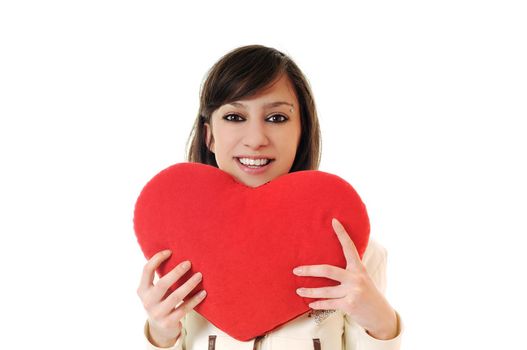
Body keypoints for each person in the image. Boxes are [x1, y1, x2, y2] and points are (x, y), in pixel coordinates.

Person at [137, 44, 403, 349]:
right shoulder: (179, 246)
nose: (255, 139)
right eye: (235, 117)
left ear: (302, 130)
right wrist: (160, 332)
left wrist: (381, 323)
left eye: (276, 118)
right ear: (209, 135)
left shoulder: (354, 253)